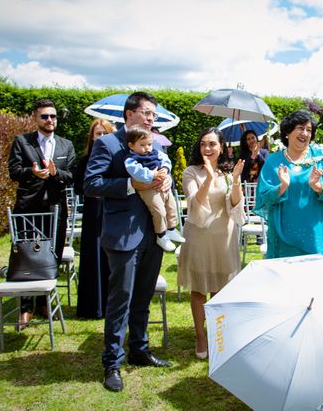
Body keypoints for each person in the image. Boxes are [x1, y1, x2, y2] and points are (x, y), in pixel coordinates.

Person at [84, 92, 173, 393]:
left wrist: (167, 178)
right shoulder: (107, 144)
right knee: (119, 300)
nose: (151, 119)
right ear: (129, 114)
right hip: (122, 234)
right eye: (147, 113)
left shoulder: (156, 142)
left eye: (153, 115)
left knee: (143, 296)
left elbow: (165, 167)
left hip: (153, 232)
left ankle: (140, 349)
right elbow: (91, 184)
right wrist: (129, 184)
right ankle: (112, 362)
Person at [177, 127, 245, 359]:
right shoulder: (190, 172)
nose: (207, 148)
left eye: (212, 144)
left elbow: (234, 205)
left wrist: (235, 181)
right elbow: (195, 204)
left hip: (223, 237)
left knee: (219, 288)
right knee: (199, 288)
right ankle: (200, 335)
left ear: (222, 147)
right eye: (204, 143)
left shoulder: (227, 173)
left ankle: (218, 334)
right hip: (199, 236)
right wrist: (207, 175)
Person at [7, 98, 76, 328]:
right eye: (45, 116)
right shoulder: (22, 142)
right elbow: (14, 171)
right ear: (35, 118)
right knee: (26, 256)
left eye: (53, 116)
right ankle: (25, 308)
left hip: (56, 208)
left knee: (52, 255)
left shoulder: (66, 145)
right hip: (29, 207)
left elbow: (72, 176)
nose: (50, 120)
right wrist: (32, 172)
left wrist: (56, 174)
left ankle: (44, 303)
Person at [254, 110, 323, 259]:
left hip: (314, 233)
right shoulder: (273, 161)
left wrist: (318, 186)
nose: (305, 133)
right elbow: (264, 198)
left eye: (309, 130)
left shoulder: (321, 157)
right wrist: (282, 187)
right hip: (283, 235)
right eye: (300, 128)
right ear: (287, 132)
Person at [74, 118, 115, 319]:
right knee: (92, 257)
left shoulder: (116, 158)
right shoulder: (85, 160)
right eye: (97, 133)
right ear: (92, 136)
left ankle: (110, 304)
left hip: (110, 211)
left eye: (105, 133)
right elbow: (78, 187)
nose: (101, 137)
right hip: (93, 213)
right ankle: (92, 307)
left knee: (110, 258)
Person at [124, 125, 185, 252]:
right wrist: (153, 174)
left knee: (172, 205)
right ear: (131, 145)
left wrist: (165, 169)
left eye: (150, 144)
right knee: (159, 210)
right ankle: (161, 235)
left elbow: (165, 159)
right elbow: (136, 172)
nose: (148, 148)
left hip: (162, 185)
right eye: (143, 145)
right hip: (147, 189)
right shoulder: (131, 159)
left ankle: (171, 229)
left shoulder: (155, 152)